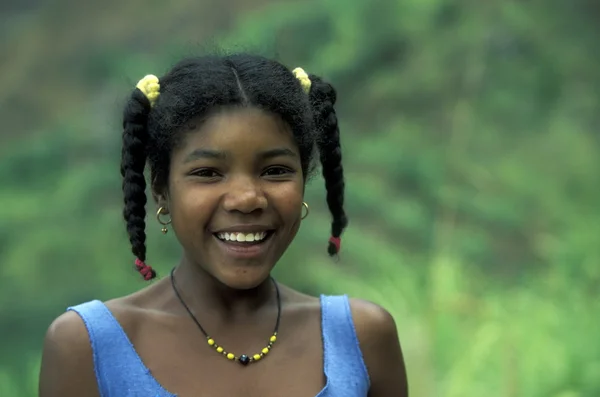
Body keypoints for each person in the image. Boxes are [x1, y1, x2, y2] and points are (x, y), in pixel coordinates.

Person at [38, 53, 408, 397]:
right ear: (161, 190)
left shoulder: (361, 339)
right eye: (208, 173)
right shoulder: (87, 347)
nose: (246, 199)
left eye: (275, 171)